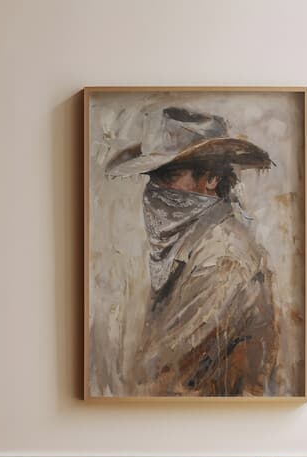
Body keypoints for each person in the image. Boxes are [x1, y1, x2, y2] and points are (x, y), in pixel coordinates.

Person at [106, 106, 279, 396]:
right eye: (153, 177)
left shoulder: (224, 257)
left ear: (211, 178)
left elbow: (161, 373)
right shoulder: (193, 246)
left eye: (170, 175)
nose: (155, 189)